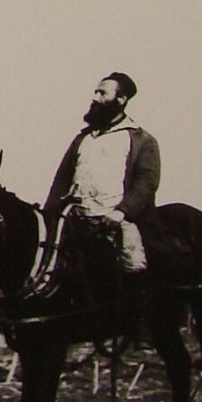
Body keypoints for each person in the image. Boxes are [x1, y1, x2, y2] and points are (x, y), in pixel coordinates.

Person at [42, 72, 161, 281]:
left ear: (121, 99)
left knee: (134, 268)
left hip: (115, 223)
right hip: (74, 221)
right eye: (95, 92)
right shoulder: (83, 138)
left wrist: (122, 212)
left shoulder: (141, 139)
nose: (95, 98)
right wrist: (48, 215)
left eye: (102, 93)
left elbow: (146, 182)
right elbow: (61, 180)